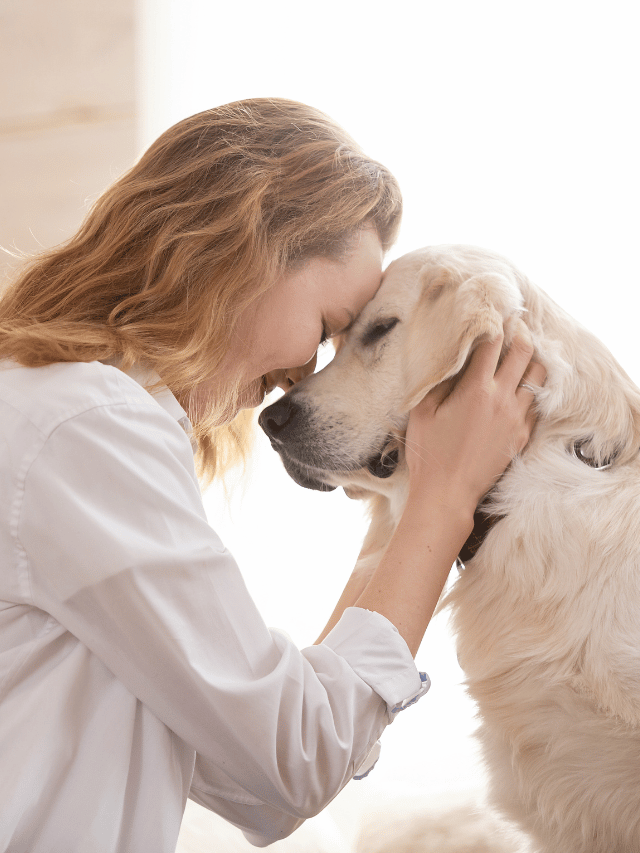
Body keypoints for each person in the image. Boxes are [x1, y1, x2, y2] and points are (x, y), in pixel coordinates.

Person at [0, 98, 544, 852]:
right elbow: (292, 759)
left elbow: (254, 778)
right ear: (245, 247)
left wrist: (413, 498)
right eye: (325, 328)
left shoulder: (59, 413)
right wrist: (442, 503)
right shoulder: (87, 426)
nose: (303, 376)